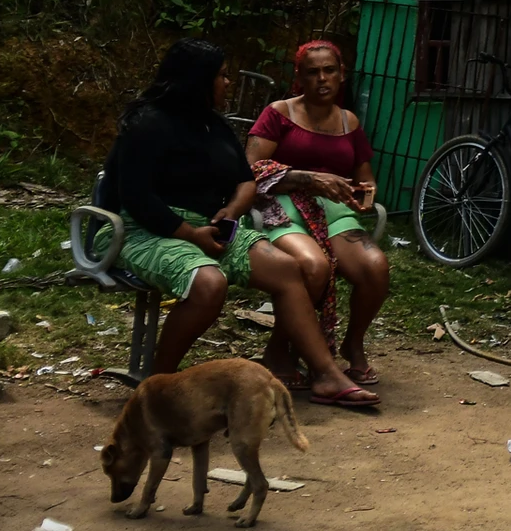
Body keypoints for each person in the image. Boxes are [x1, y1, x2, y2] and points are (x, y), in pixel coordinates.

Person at [102, 38, 378, 408]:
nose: (228, 83)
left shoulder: (212, 125)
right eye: (222, 76)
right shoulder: (146, 125)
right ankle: (156, 389)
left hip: (214, 225)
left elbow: (245, 180)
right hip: (147, 229)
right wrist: (189, 234)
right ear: (198, 81)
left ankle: (327, 375)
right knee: (208, 283)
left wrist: (231, 211)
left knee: (287, 269)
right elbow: (136, 197)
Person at [243, 40, 391, 389]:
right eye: (312, 72)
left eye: (329, 71)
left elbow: (365, 176)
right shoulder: (279, 114)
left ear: (342, 75)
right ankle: (279, 349)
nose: (322, 79)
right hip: (283, 209)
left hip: (336, 213)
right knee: (314, 267)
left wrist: (364, 197)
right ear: (299, 77)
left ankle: (352, 343)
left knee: (375, 268)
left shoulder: (348, 121)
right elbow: (249, 171)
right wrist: (306, 179)